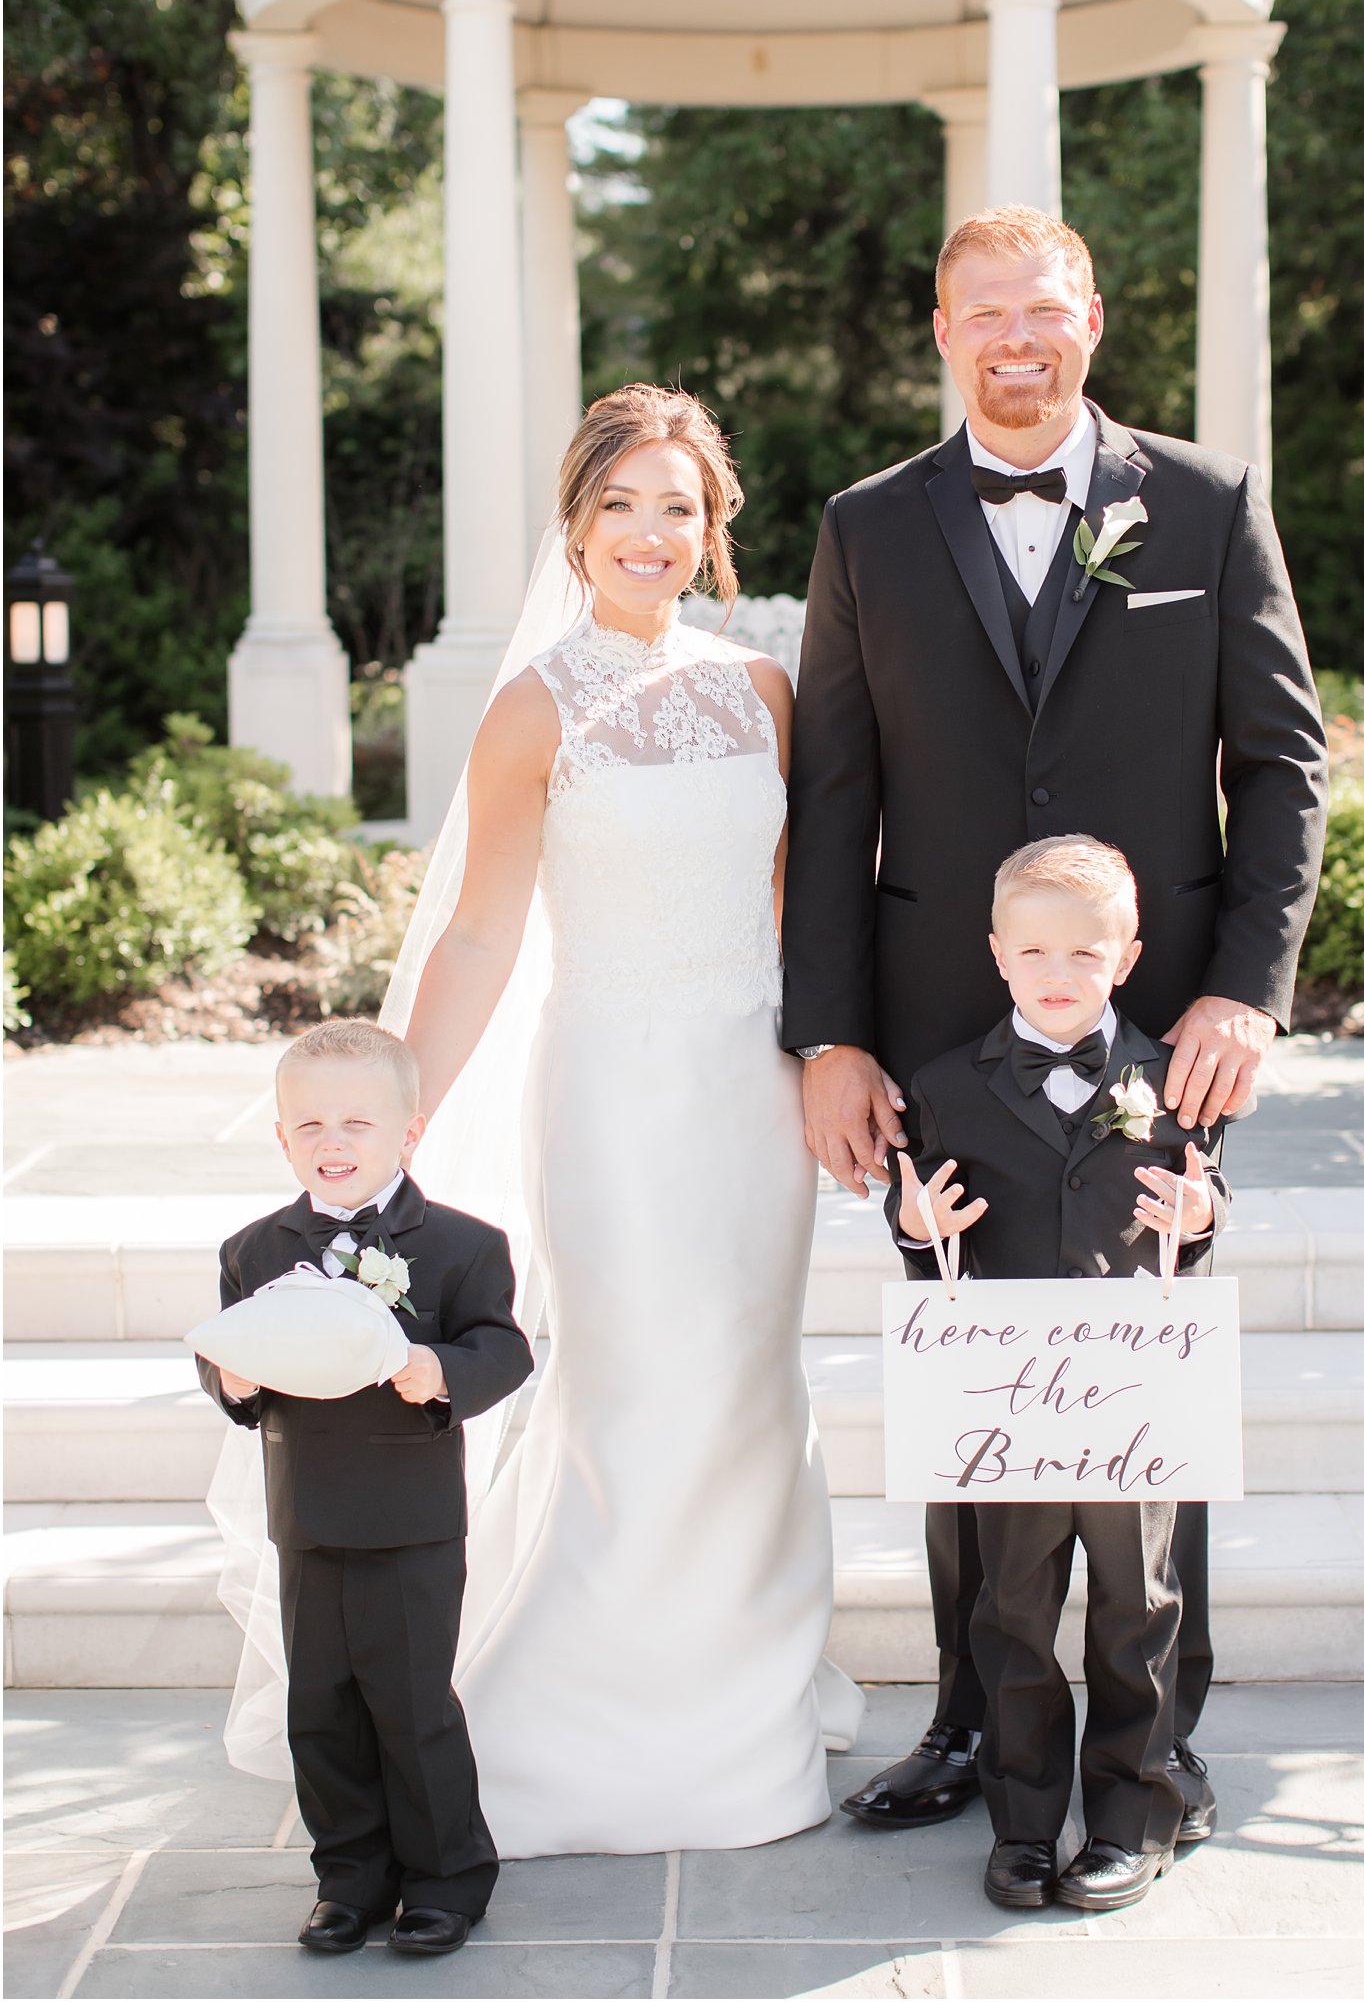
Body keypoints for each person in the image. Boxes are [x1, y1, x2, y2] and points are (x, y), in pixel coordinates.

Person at [782, 204, 1327, 1841]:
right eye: (983, 318)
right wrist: (834, 1035)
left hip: (1158, 1033)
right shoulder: (869, 526)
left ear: (1091, 315)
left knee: (1155, 1365)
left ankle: (1155, 1741)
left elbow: (1287, 762)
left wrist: (1243, 984)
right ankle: (973, 1716)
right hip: (946, 1041)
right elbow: (835, 788)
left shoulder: (1210, 504)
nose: (1016, 343)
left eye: (1043, 312)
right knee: (971, 1373)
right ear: (942, 332)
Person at [401, 383, 863, 1859]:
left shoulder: (762, 689)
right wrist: (403, 1098)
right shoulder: (535, 707)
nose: (653, 533)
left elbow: (797, 909)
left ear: (714, 529)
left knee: (743, 1390)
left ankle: (745, 1710)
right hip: (607, 1087)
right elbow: (479, 934)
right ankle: (571, 1735)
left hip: (749, 1090)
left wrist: (831, 1066)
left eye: (681, 507)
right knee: (630, 1389)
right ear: (578, 525)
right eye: (625, 506)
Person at [889, 836, 1232, 1911]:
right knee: (1012, 1617)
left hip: (1131, 1398)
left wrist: (1205, 1212)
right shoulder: (945, 1087)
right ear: (995, 953)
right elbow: (929, 1234)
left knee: (1138, 1611)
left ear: (1126, 955)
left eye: (1084, 952)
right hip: (1010, 1405)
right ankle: (1022, 1827)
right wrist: (909, 1229)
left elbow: (1206, 1200)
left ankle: (1130, 1819)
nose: (1056, 971)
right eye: (1033, 948)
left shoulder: (1175, 1082)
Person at [197, 1019, 532, 1960]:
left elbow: (503, 1348)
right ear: (280, 1136)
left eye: (355, 1122)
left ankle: (445, 1877)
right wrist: (228, 1378)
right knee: (323, 1703)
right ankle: (350, 1876)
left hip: (413, 1518)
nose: (331, 1142)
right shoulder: (254, 1249)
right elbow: (227, 1346)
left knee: (413, 1700)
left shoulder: (462, 1245)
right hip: (307, 1512)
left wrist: (436, 1368)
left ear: (409, 1133)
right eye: (307, 1125)